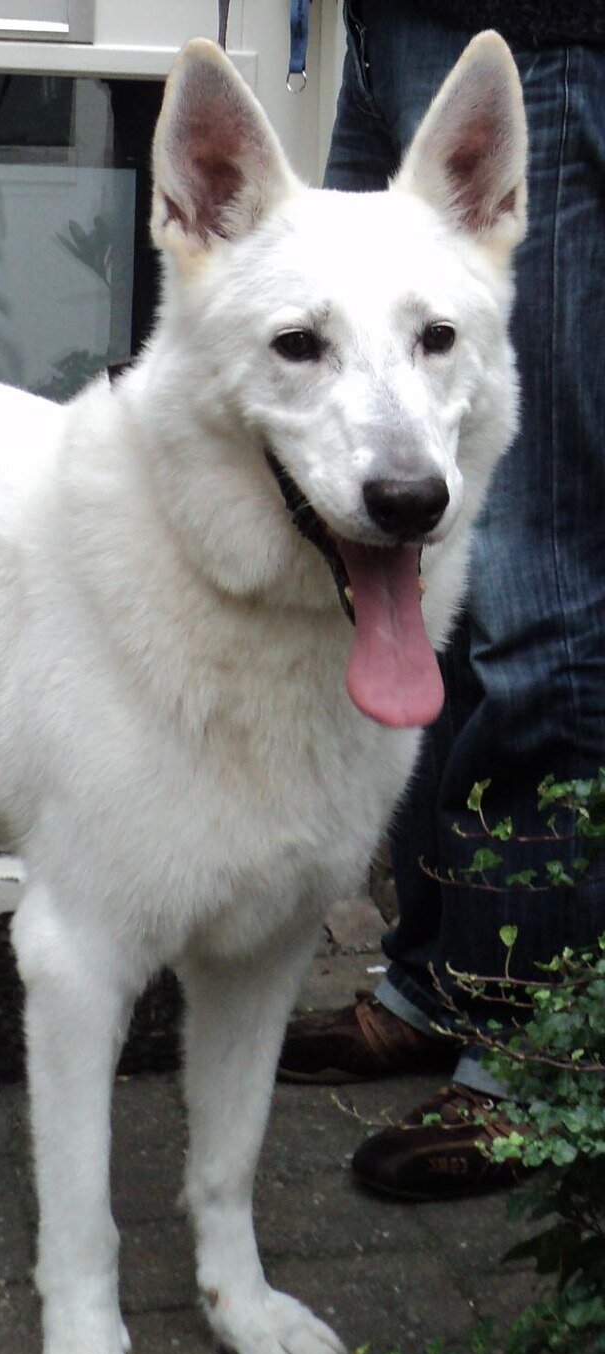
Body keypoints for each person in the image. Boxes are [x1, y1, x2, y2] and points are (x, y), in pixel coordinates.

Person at [280, 0, 605, 1201]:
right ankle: (434, 984)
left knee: (528, 582)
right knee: (417, 582)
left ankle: (534, 1055)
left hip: (534, 31)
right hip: (386, 30)